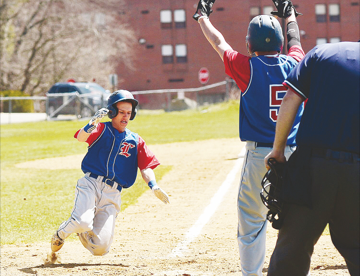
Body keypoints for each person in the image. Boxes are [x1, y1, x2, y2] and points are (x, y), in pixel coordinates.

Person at [193, 0, 305, 275]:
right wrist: (288, 13)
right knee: (297, 221)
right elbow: (295, 37)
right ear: (279, 43)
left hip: (260, 157)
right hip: (296, 155)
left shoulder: (247, 67)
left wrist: (202, 18)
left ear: (249, 44)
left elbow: (218, 42)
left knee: (252, 222)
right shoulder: (296, 63)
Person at [264, 41, 360, 275]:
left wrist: (277, 150)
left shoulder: (321, 53)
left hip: (312, 168)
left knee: (291, 252)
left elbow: (290, 100)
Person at [50, 90, 170, 257]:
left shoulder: (135, 140)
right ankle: (60, 235)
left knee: (100, 249)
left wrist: (153, 185)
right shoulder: (100, 129)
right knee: (82, 221)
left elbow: (146, 166)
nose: (125, 117)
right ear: (111, 112)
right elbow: (81, 137)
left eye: (129, 113)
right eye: (121, 112)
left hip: (113, 194)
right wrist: (92, 122)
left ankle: (81, 230)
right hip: (91, 184)